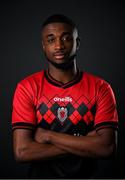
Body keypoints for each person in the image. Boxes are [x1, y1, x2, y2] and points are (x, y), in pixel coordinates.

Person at [12, 14, 118, 178]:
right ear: (43, 46)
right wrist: (85, 143)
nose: (59, 46)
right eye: (51, 39)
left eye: (66, 38)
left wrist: (48, 136)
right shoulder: (27, 87)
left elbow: (107, 148)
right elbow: (22, 152)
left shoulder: (101, 88)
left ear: (77, 43)